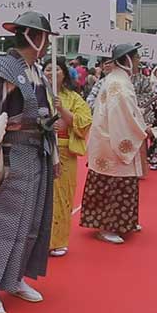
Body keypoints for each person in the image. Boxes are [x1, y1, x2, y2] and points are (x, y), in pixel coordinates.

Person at [0, 11, 59, 313]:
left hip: (37, 151)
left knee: (32, 220)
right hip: (9, 151)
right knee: (2, 220)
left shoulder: (39, 72)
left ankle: (16, 277)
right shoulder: (3, 69)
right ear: (36, 37)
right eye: (45, 40)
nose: (47, 47)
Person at [80, 44, 149, 244]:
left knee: (118, 183)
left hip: (108, 137)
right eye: (136, 57)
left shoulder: (116, 79)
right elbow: (123, 115)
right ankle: (108, 225)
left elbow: (128, 111)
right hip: (112, 139)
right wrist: (143, 129)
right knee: (114, 184)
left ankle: (123, 222)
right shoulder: (118, 83)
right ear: (126, 59)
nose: (138, 61)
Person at [43, 56, 92, 257]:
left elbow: (84, 121)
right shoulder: (35, 94)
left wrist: (62, 111)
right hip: (42, 149)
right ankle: (39, 241)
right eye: (47, 69)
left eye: (56, 70)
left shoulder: (73, 98)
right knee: (42, 196)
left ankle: (58, 240)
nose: (51, 73)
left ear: (64, 74)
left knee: (62, 197)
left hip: (64, 151)